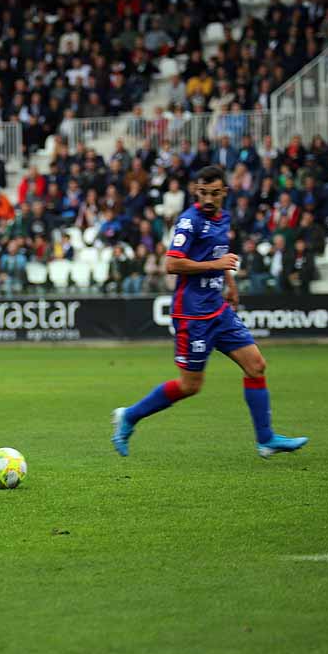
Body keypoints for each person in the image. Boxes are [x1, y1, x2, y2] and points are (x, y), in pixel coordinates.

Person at [111, 166, 308, 460]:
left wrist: (228, 283)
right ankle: (129, 416)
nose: (208, 199)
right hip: (192, 315)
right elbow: (172, 264)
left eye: (214, 193)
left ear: (224, 193)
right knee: (190, 386)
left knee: (256, 365)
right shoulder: (189, 222)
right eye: (203, 193)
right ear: (195, 192)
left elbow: (218, 255)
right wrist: (216, 268)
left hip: (218, 308)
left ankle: (266, 439)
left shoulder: (223, 218)